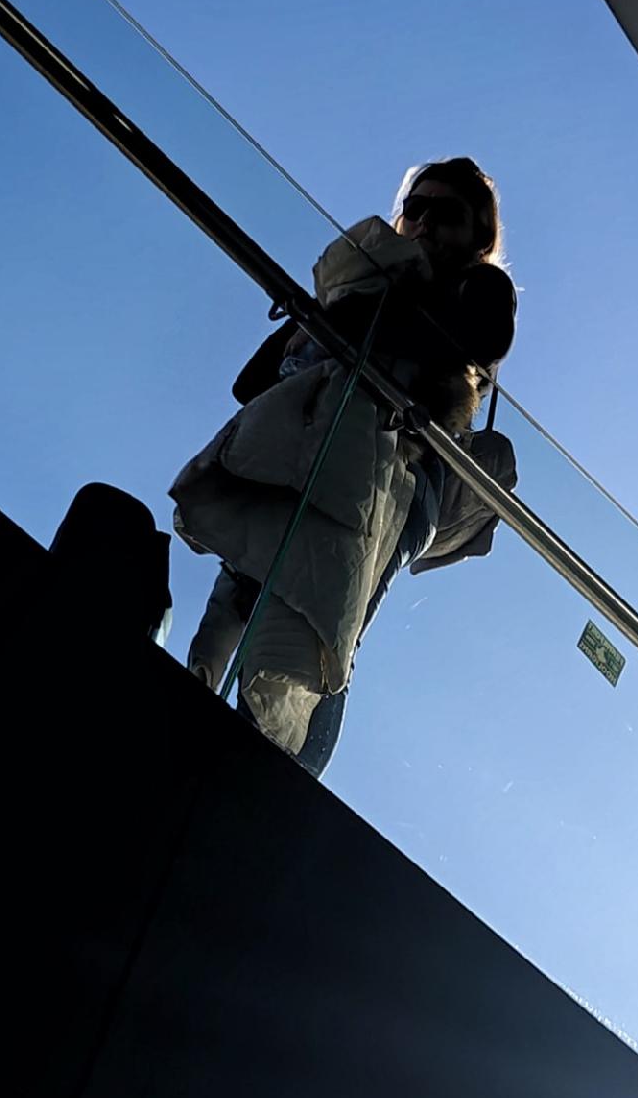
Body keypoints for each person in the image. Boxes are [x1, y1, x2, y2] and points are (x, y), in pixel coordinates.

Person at [171, 157, 518, 772]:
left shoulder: (472, 290)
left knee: (328, 614)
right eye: (417, 207)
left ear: (479, 238)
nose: (427, 222)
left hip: (397, 478)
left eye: (448, 214)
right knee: (247, 595)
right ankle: (234, 731)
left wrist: (352, 303)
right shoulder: (366, 281)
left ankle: (286, 761)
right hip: (304, 454)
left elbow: (479, 334)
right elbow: (252, 382)